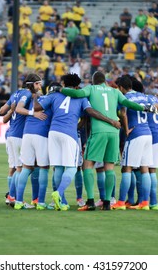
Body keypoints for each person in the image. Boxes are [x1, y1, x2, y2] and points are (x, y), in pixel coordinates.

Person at [60, 71, 157, 210]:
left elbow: (76, 94)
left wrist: (60, 89)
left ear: (94, 81)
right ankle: (107, 203)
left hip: (99, 131)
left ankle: (90, 202)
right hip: (114, 132)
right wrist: (144, 108)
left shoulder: (91, 89)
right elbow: (128, 103)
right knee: (109, 167)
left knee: (87, 165)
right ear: (105, 81)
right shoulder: (115, 91)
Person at [32, 73, 121, 211]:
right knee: (73, 168)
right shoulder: (81, 97)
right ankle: (58, 193)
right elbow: (91, 112)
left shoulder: (54, 95)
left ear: (63, 84)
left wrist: (35, 96)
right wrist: (110, 121)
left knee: (58, 167)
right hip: (69, 134)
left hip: (53, 132)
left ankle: (62, 201)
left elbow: (37, 108)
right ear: (76, 86)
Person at [112, 76, 153, 211]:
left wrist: (126, 128)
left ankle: (121, 202)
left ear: (122, 88)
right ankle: (145, 203)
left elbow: (123, 113)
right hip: (148, 133)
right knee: (144, 169)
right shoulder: (143, 96)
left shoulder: (125, 98)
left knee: (127, 168)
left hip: (135, 134)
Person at [14, 78, 51, 210]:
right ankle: (40, 202)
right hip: (41, 135)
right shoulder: (49, 100)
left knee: (26, 168)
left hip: (27, 134)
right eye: (38, 83)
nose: (40, 85)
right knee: (44, 168)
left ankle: (18, 201)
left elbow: (17, 108)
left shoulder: (30, 99)